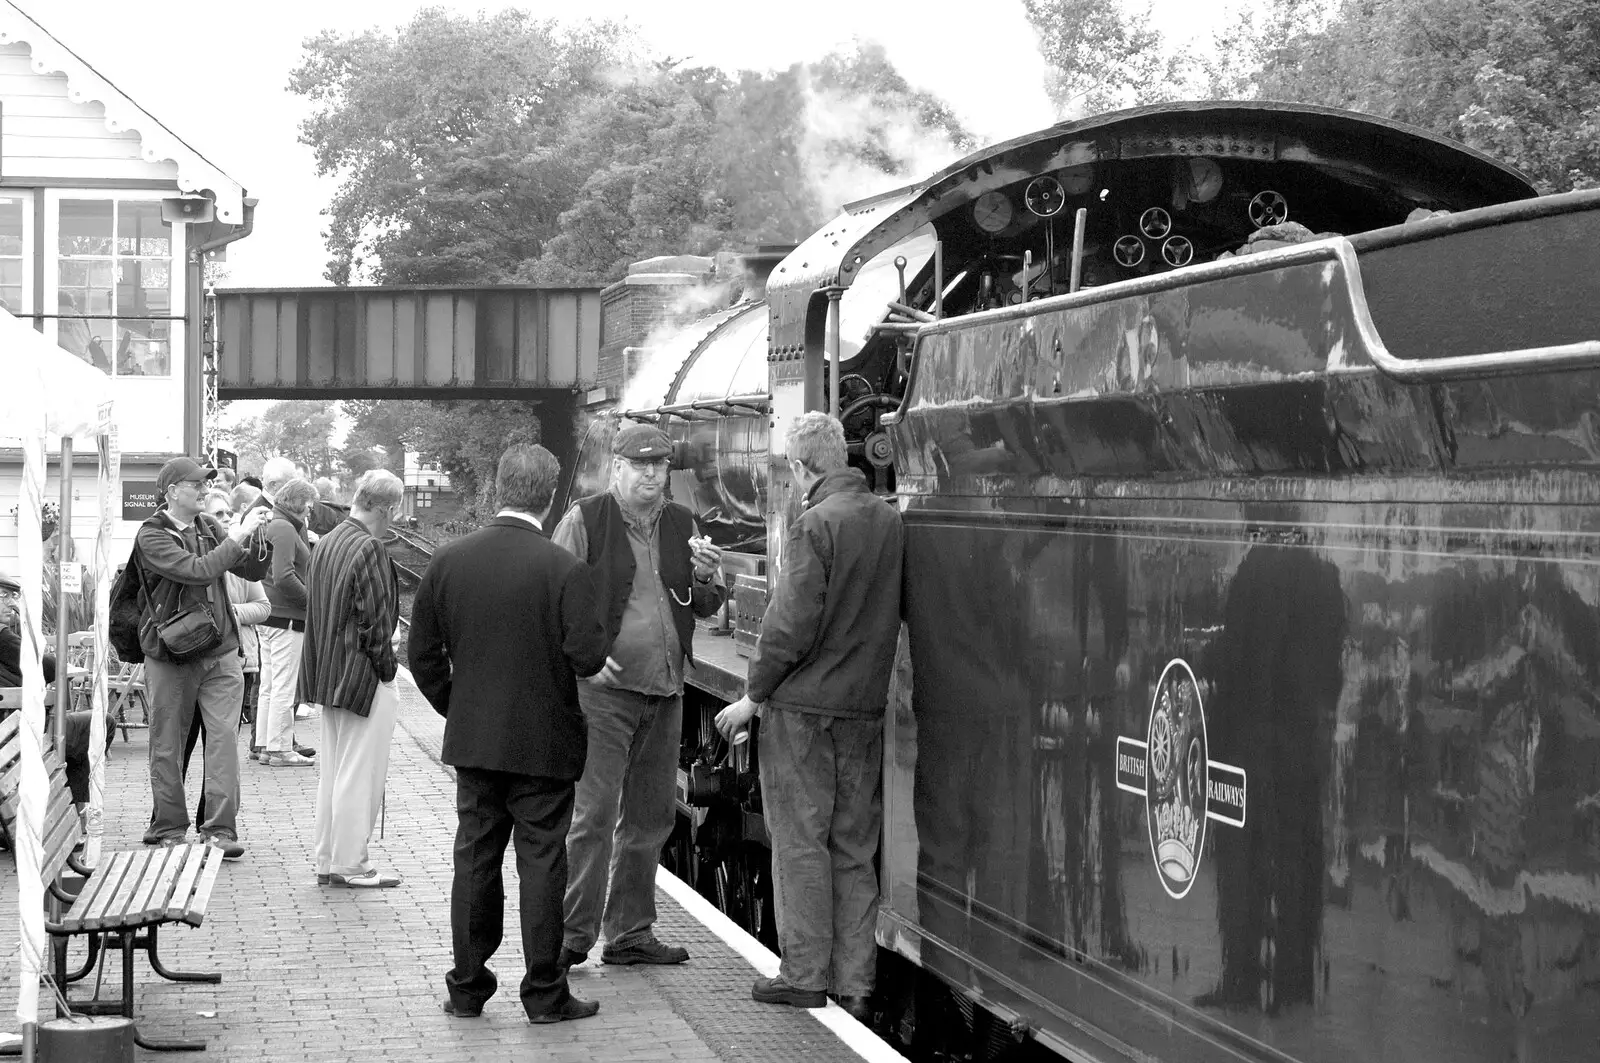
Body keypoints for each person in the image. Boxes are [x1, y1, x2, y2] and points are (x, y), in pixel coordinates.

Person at [408, 444, 609, 1024]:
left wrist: (459, 707)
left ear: (499, 487)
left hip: (475, 742)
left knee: (474, 858)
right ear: (550, 497)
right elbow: (588, 656)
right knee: (543, 863)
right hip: (545, 744)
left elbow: (420, 655)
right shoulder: (564, 569)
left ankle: (467, 989)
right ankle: (545, 994)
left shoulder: (449, 562)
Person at [715, 413, 904, 1020]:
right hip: (863, 710)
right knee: (853, 846)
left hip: (804, 712)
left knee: (800, 841)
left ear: (800, 468)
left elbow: (788, 626)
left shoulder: (813, 526)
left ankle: (803, 974)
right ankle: (855, 984)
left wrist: (753, 695)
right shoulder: (889, 520)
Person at [551, 423, 725, 968]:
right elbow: (553, 598)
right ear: (617, 469)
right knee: (593, 817)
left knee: (651, 819)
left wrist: (708, 578)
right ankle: (569, 938)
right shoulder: (585, 520)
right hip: (603, 696)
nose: (652, 475)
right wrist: (584, 661)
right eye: (641, 465)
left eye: (660, 466)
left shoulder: (682, 524)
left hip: (667, 689)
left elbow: (701, 606)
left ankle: (628, 933)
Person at [136, 456, 269, 857]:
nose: (205, 490)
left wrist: (263, 535)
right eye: (197, 485)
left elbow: (252, 571)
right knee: (167, 743)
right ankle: (169, 827)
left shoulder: (209, 526)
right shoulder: (152, 535)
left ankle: (220, 831)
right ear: (172, 492)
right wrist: (238, 533)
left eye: (207, 484)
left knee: (225, 741)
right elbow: (197, 570)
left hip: (221, 650)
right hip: (170, 653)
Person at [297, 469, 405, 889]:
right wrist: (388, 672)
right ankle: (351, 863)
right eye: (393, 510)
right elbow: (377, 622)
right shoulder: (370, 548)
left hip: (327, 674)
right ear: (385, 507)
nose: (394, 518)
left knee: (335, 770)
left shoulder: (327, 542)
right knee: (360, 772)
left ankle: (328, 858)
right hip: (362, 678)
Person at [174, 490, 270, 826]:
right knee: (181, 745)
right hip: (187, 661)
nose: (225, 520)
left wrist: (228, 614)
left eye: (228, 513)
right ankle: (167, 817)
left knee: (220, 747)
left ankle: (210, 818)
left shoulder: (235, 564)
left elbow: (263, 605)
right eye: (217, 514)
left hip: (232, 658)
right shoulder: (191, 557)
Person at [257, 476, 319, 767]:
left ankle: (265, 744)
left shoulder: (278, 524)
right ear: (298, 502)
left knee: (270, 684)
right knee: (283, 685)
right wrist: (312, 602)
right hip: (287, 618)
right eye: (309, 505)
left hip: (273, 616)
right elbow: (283, 576)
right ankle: (280, 748)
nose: (310, 511)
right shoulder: (284, 528)